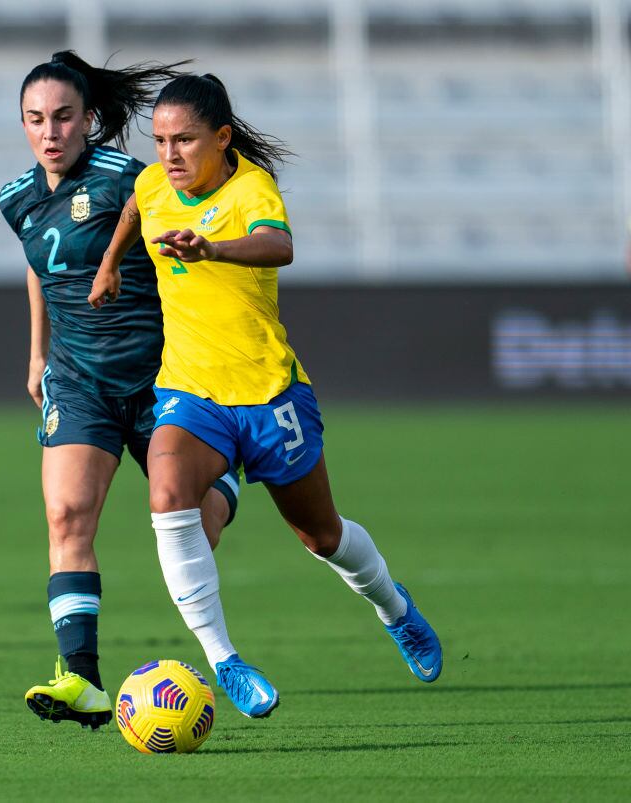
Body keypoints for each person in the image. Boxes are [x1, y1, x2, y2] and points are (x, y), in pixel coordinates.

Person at [89, 73, 442, 719]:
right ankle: (224, 659)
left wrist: (213, 248)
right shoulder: (152, 184)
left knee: (322, 535)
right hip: (191, 390)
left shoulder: (250, 187)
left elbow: (280, 244)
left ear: (222, 138)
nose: (170, 154)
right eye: (161, 139)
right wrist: (111, 261)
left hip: (269, 393)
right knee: (167, 495)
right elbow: (136, 208)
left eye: (185, 140)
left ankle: (395, 608)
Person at [0, 52, 241, 730]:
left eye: (64, 118)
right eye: (36, 119)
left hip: (163, 376)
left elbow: (185, 246)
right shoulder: (15, 197)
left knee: (198, 523)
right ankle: (82, 677)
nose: (50, 132)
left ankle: (230, 474)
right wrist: (37, 352)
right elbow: (38, 269)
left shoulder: (128, 180)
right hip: (79, 382)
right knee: (67, 517)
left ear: (91, 121)